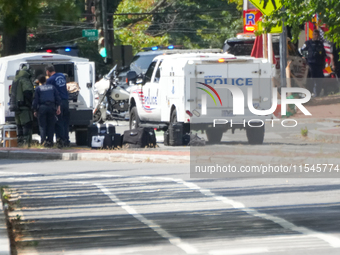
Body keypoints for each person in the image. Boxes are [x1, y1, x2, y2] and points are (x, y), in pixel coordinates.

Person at [32, 75, 61, 147]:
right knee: (51, 125)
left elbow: (36, 100)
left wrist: (35, 110)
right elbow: (58, 98)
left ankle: (43, 142)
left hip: (42, 108)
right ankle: (50, 142)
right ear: (45, 80)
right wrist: (58, 108)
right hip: (51, 107)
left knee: (42, 126)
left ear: (39, 81)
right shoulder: (52, 87)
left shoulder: (38, 89)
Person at [9, 66, 35, 147]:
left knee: (19, 126)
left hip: (16, 107)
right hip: (24, 108)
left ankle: (20, 143)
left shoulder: (15, 80)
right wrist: (32, 103)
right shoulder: (25, 80)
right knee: (26, 125)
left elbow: (10, 93)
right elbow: (28, 93)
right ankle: (26, 143)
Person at [45, 64, 70, 147]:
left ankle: (61, 140)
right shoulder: (62, 76)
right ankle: (66, 140)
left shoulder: (50, 80)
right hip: (66, 101)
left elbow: (49, 92)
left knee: (59, 122)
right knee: (66, 122)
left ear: (48, 71)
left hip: (58, 103)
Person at [300, 29, 326, 97]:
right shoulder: (308, 43)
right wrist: (305, 57)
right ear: (312, 35)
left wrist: (324, 64)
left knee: (319, 79)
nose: (316, 36)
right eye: (315, 34)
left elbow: (323, 54)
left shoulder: (320, 43)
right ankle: (311, 92)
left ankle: (317, 93)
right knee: (311, 79)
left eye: (317, 35)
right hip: (311, 63)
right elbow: (302, 50)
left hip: (319, 64)